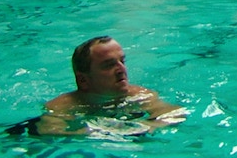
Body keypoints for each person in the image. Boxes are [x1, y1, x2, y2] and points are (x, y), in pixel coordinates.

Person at [37, 36, 184, 136]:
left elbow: (175, 114)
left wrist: (145, 127)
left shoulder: (140, 95)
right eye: (109, 65)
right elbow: (50, 133)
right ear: (83, 80)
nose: (121, 70)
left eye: (122, 61)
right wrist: (98, 132)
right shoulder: (61, 107)